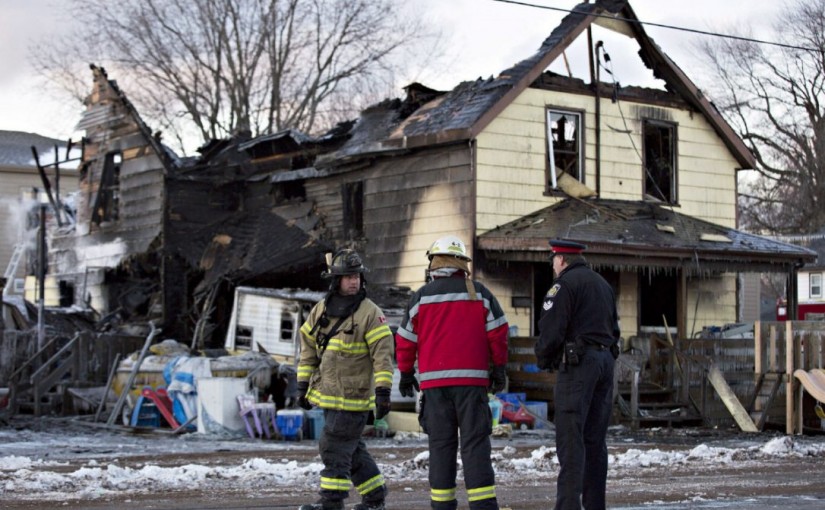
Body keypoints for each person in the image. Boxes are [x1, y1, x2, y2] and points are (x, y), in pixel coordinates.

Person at [395, 235, 509, 510]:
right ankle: (483, 505)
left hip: (434, 388)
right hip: (472, 385)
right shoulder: (479, 293)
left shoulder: (420, 297)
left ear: (434, 264)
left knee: (441, 446)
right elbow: (498, 334)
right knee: (474, 444)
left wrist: (406, 372)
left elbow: (405, 339)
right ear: (462, 264)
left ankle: (442, 505)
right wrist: (499, 368)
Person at [296, 249, 395, 510]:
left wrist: (383, 391)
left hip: (353, 399)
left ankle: (331, 503)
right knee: (353, 451)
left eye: (357, 276)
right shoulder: (322, 309)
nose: (354, 281)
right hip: (328, 397)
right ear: (336, 280)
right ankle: (374, 498)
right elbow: (307, 348)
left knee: (333, 448)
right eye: (348, 276)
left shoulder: (370, 313)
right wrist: (302, 385)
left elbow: (383, 357)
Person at [534, 239, 620, 510]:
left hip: (579, 364)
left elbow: (551, 328)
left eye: (553, 260)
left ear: (561, 260)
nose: (552, 264)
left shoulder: (564, 285)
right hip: (605, 362)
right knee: (595, 441)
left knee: (571, 441)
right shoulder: (602, 284)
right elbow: (614, 329)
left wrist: (544, 359)